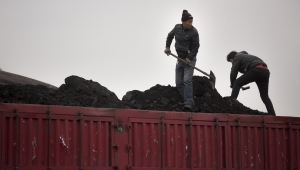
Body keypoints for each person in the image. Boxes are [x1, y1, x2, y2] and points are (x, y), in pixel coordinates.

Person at [164, 10, 200, 109]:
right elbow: (170, 36)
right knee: (179, 82)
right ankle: (187, 100)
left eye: (191, 22)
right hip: (180, 58)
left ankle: (188, 102)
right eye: (189, 22)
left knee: (187, 80)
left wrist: (189, 58)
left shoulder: (194, 32)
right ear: (183, 22)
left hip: (190, 59)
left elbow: (196, 47)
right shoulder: (177, 28)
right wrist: (167, 47)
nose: (190, 24)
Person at [227, 51, 276, 116]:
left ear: (231, 59)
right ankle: (273, 115)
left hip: (256, 70)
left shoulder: (237, 57)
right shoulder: (246, 57)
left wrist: (232, 84)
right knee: (265, 96)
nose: (232, 63)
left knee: (237, 83)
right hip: (265, 71)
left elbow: (234, 71)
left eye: (231, 62)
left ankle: (232, 102)